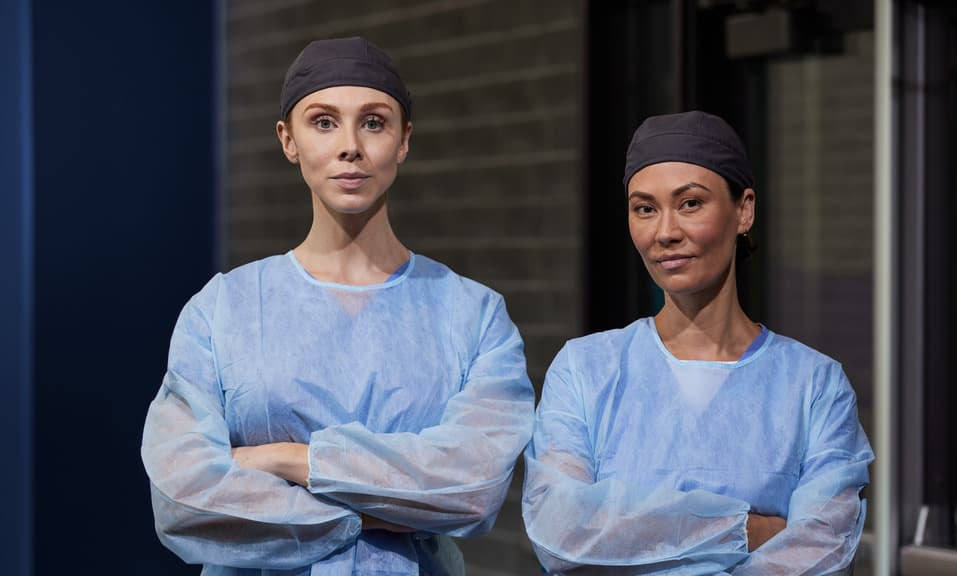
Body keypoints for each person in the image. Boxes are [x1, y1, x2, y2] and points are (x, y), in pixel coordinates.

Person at [141, 37, 534, 575]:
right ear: (288, 140)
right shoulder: (224, 309)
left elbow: (472, 487)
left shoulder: (473, 315)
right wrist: (386, 507)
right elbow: (184, 498)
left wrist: (287, 460)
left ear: (404, 141)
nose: (350, 145)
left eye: (374, 123)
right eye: (323, 122)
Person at [522, 111, 874, 574]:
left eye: (690, 203)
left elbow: (819, 554)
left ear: (743, 210)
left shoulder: (814, 386)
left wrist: (631, 534)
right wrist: (744, 529)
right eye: (644, 208)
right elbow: (560, 529)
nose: (665, 232)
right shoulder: (587, 369)